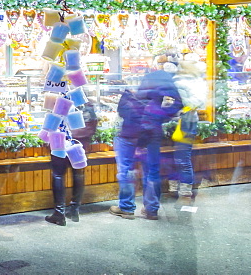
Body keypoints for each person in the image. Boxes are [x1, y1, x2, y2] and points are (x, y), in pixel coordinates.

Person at [110, 59, 182, 220]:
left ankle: (127, 208)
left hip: (130, 130)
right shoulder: (164, 79)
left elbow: (125, 108)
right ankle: (151, 209)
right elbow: (178, 103)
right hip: (151, 130)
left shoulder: (140, 80)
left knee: (126, 169)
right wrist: (161, 116)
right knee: (152, 170)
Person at [45, 93, 97, 226]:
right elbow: (92, 121)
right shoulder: (83, 96)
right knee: (78, 172)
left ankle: (59, 213)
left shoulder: (61, 96)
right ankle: (74, 210)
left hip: (61, 137)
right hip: (81, 140)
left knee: (58, 174)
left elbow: (53, 119)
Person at [171, 60, 208, 205]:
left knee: (182, 156)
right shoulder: (197, 82)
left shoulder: (180, 83)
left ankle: (185, 188)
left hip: (184, 121)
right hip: (188, 120)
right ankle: (181, 187)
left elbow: (182, 103)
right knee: (181, 156)